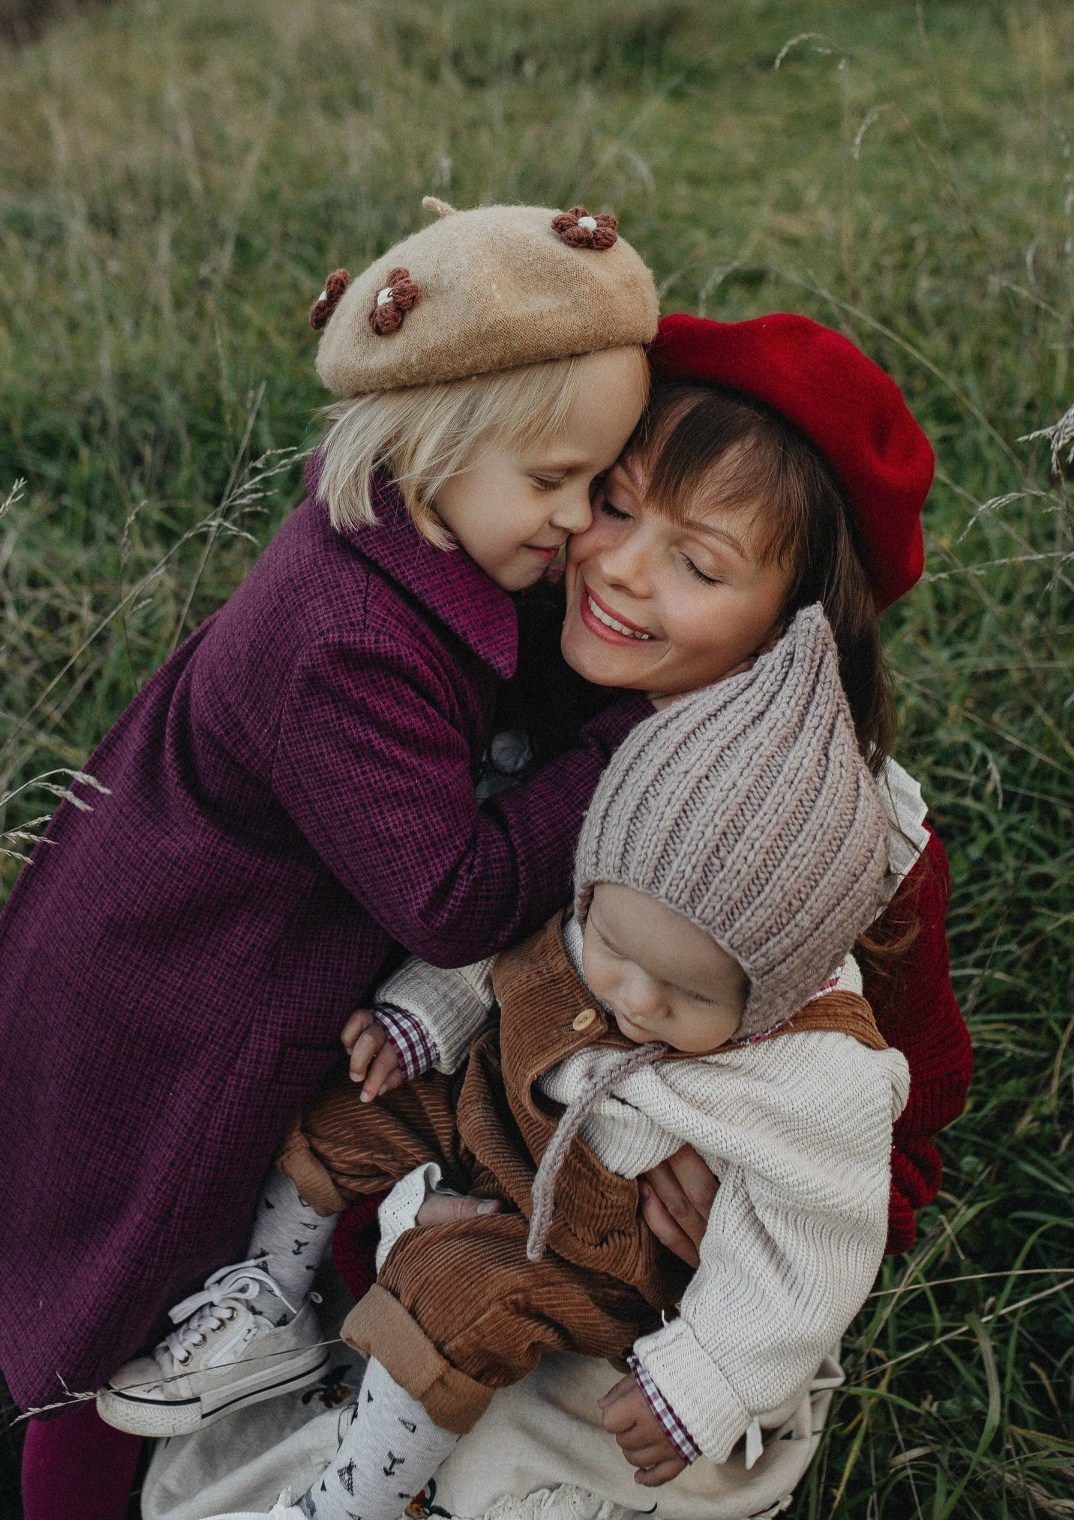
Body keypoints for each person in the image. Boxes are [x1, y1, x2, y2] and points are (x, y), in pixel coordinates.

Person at [0, 199, 662, 1520]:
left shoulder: (412, 540)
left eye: (598, 483)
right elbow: (454, 892)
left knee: (213, 1289)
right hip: (180, 996)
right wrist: (628, 759)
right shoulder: (341, 639)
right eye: (552, 481)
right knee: (121, 1321)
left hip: (209, 945)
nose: (576, 520)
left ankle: (240, 1456)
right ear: (437, 439)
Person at [119, 608, 909, 1518]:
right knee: (350, 1101)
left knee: (458, 1296)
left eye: (690, 998)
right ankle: (270, 1300)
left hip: (593, 1252)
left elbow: (809, 1257)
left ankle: (349, 1499)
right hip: (494, 1112)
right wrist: (425, 1014)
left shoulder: (816, 1080)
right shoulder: (614, 890)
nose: (635, 1000)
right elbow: (506, 958)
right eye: (612, 943)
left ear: (779, 984)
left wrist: (702, 1381)